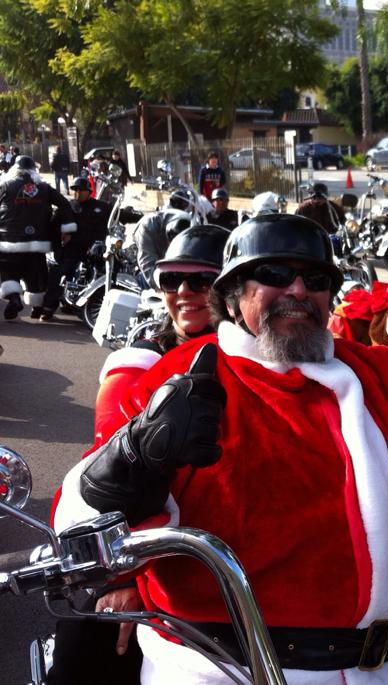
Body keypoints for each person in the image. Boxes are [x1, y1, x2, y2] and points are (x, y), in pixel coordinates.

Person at [54, 213, 388, 684]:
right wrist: (139, 456)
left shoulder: (372, 370)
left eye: (316, 280)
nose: (298, 289)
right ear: (233, 295)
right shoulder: (177, 378)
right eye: (274, 273)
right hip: (238, 672)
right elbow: (81, 521)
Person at [47, 224, 231, 685]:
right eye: (171, 280)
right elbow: (106, 472)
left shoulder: (270, 363)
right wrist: (125, 577)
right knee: (93, 650)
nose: (184, 293)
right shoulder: (140, 366)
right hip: (150, 554)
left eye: (200, 280)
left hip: (237, 552)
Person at [0, 155, 74, 320]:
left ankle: (13, 298)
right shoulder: (45, 188)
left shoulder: (4, 186)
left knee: (7, 271)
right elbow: (64, 204)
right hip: (37, 241)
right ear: (34, 170)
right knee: (36, 273)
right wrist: (67, 229)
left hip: (8, 242)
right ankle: (37, 307)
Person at [39, 177, 112, 320]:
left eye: (81, 190)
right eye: (75, 190)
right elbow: (53, 227)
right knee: (59, 274)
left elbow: (120, 215)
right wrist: (58, 247)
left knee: (113, 273)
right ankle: (47, 310)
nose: (78, 193)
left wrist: (140, 216)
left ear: (89, 191)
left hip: (98, 251)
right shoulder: (67, 207)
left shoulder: (102, 207)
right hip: (73, 250)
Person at [132, 187, 197, 284]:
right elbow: (148, 266)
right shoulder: (147, 228)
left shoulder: (190, 223)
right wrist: (163, 288)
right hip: (151, 252)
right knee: (143, 282)